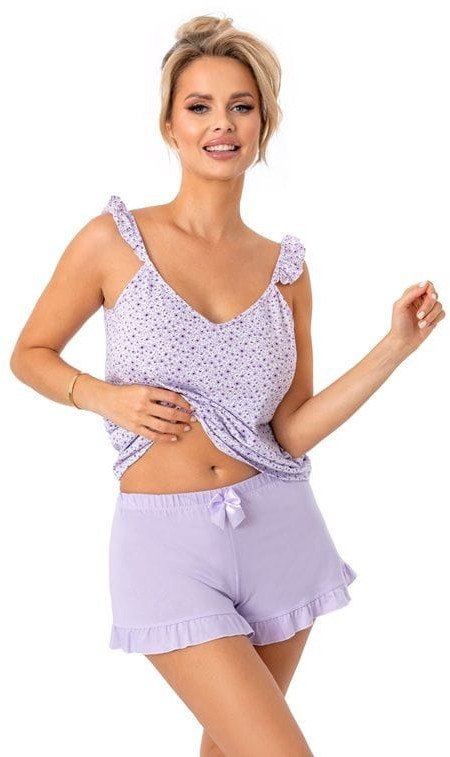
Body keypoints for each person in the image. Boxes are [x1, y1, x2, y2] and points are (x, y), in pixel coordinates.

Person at [9, 13, 445, 757]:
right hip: (166, 544)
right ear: (170, 124)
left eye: (242, 106)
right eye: (199, 106)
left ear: (263, 125)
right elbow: (30, 353)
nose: (222, 124)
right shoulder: (114, 241)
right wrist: (104, 396)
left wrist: (395, 348)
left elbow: (291, 430)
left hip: (282, 531)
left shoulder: (287, 269)